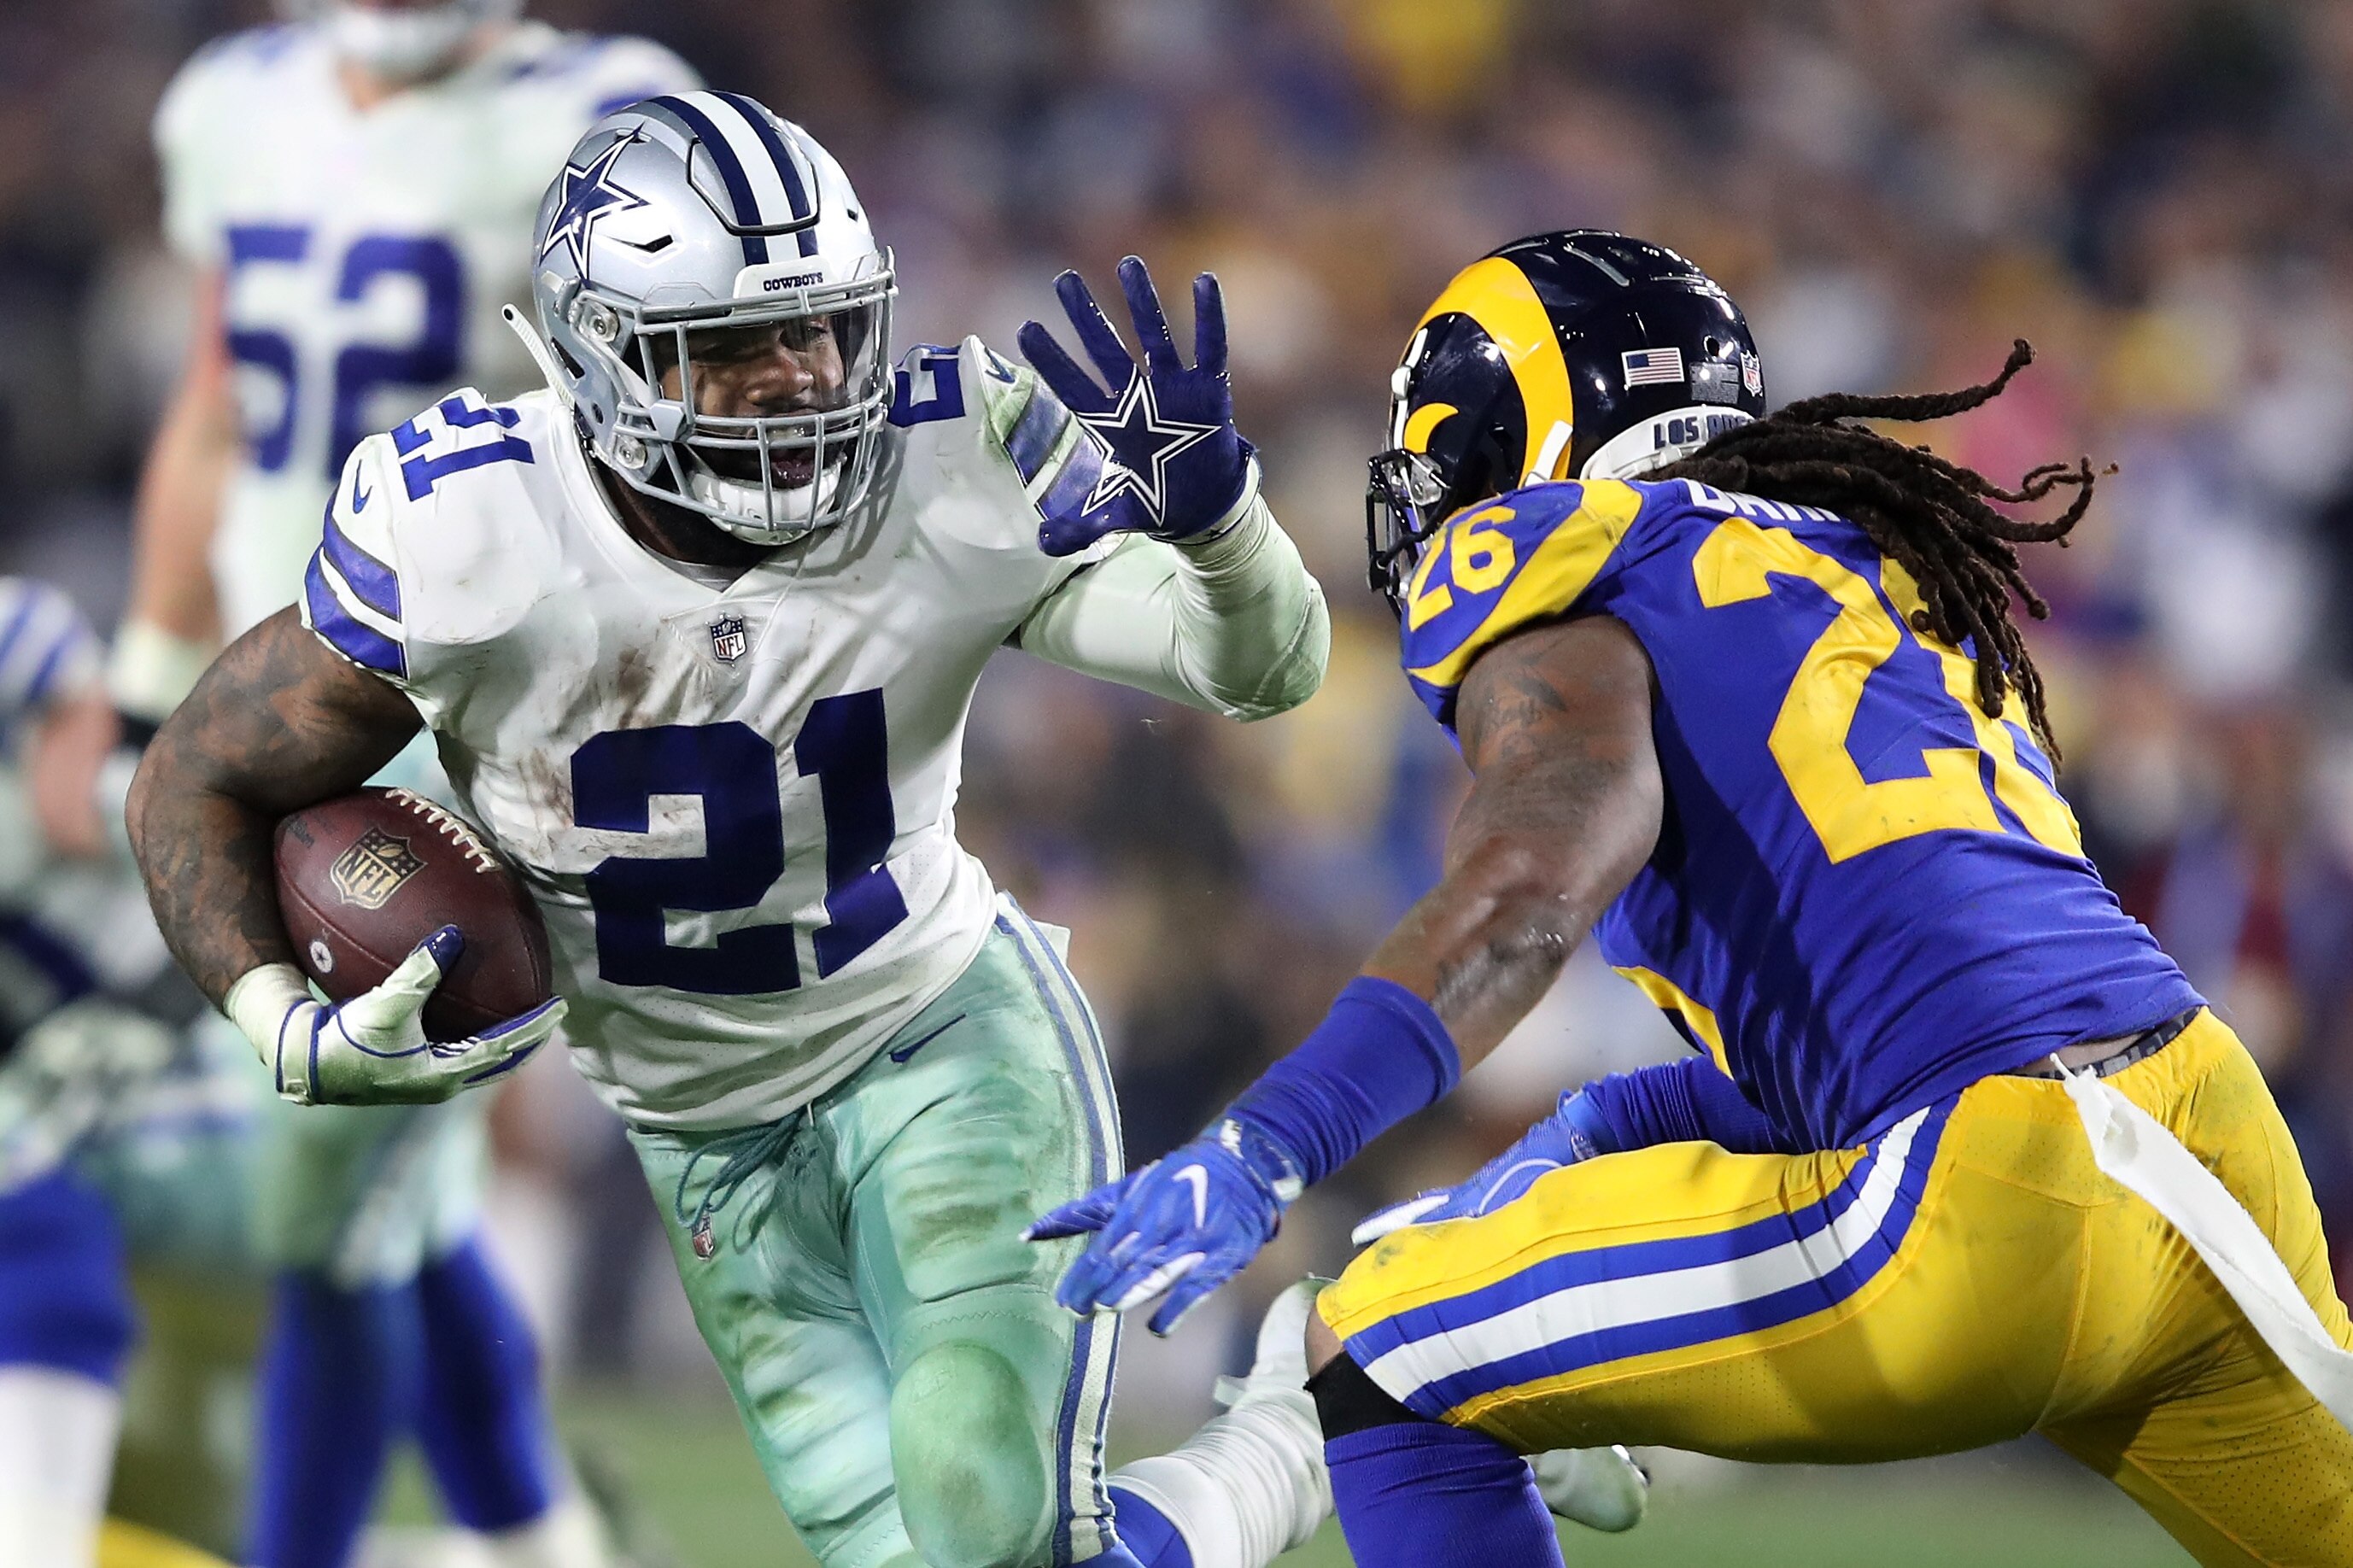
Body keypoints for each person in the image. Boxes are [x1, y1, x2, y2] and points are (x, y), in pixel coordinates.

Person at [126, 88, 1349, 1568]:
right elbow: (193, 773)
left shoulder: (950, 458)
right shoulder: (467, 530)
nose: (793, 379)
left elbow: (1257, 671)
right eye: (727, 348)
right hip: (699, 1135)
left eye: (817, 329)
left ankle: (1314, 1424)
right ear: (596, 355)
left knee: (985, 1512)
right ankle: (1316, 1423)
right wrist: (284, 1028)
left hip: (943, 1044)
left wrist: (1222, 532)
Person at [1035, 230, 2353, 1565]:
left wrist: (1273, 1142)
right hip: (2203, 1129)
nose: (1445, 503)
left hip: (1987, 1204)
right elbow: (1909, 1001)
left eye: (1461, 458)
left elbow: (1530, 891)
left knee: (1379, 1346)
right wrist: (1605, 1121)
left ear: (1532, 444)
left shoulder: (1572, 560)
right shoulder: (1876, 566)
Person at [119, 3, 699, 1564]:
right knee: (387, 1189)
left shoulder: (610, 109)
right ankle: (533, 1530)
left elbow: (659, 451)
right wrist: (145, 674)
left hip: (461, 717)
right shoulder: (235, 100)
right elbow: (213, 409)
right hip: (265, 718)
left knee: (328, 1176)